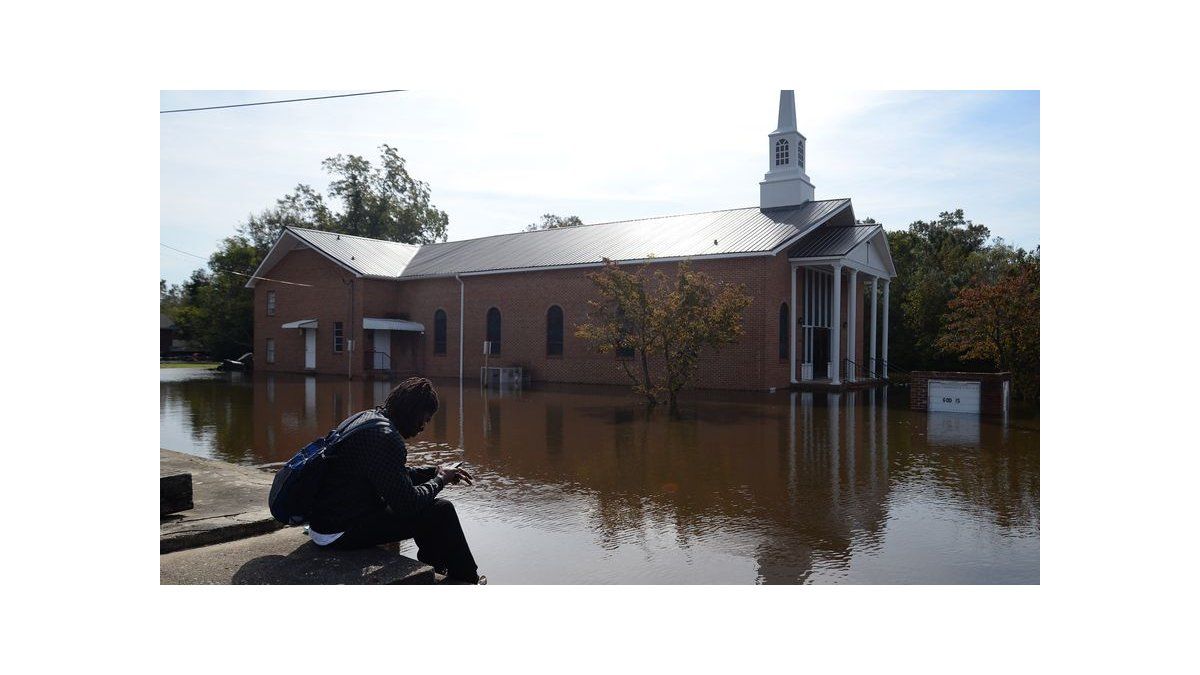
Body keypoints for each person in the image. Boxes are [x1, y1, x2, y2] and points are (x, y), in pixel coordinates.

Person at [307, 376, 484, 584]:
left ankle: (436, 570)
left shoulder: (369, 419)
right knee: (441, 511)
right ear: (413, 412)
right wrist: (440, 481)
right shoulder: (386, 438)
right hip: (339, 532)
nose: (423, 427)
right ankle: (467, 579)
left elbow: (390, 475)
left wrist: (434, 471)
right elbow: (407, 505)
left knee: (429, 506)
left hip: (324, 523)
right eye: (424, 419)